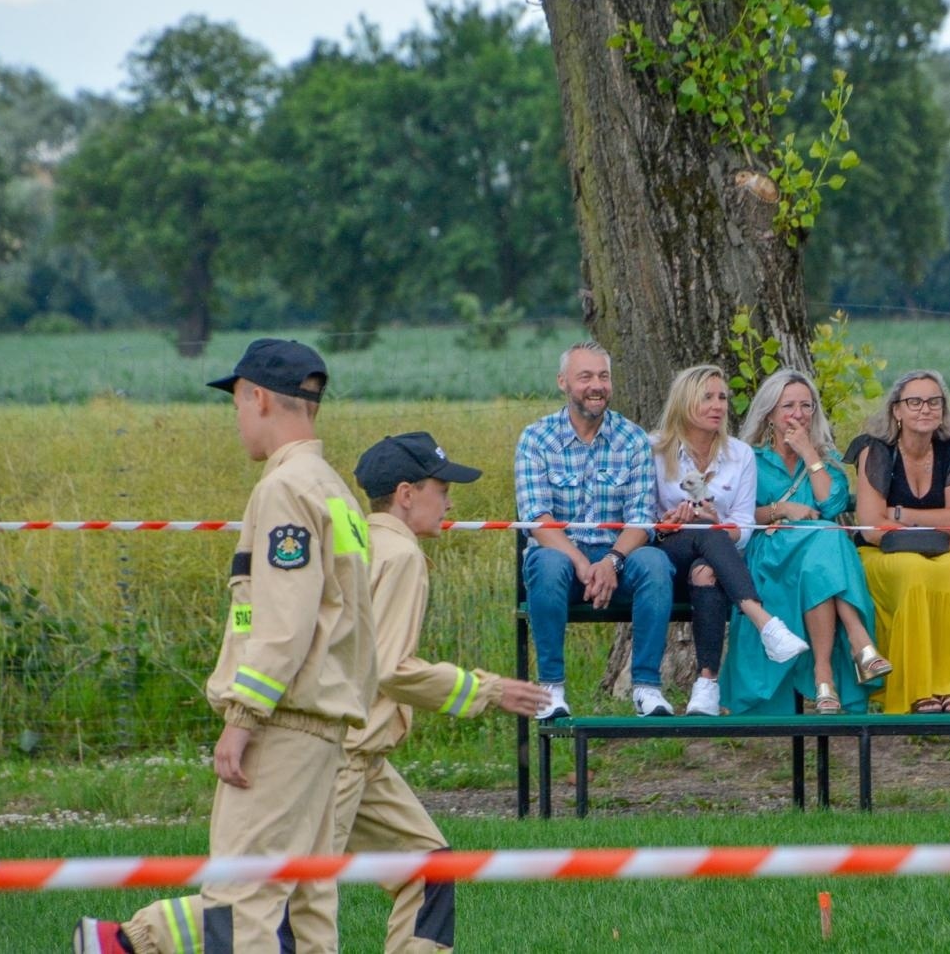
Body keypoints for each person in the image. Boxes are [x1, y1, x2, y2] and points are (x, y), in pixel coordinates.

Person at [76, 338, 378, 954]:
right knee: (307, 909)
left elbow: (284, 622)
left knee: (240, 905)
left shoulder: (284, 489)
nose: (236, 418)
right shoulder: (336, 491)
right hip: (328, 728)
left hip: (284, 727)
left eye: (236, 402)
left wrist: (242, 718)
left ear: (259, 397)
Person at [340, 432, 551, 951]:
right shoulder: (401, 556)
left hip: (358, 755)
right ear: (407, 494)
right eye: (442, 487)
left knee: (430, 869)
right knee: (270, 903)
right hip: (336, 760)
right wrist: (488, 690)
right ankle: (132, 940)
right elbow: (392, 669)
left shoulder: (355, 543)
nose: (450, 501)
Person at [515, 341, 676, 718]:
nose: (596, 385)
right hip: (561, 560)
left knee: (655, 563)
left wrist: (610, 562)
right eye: (585, 376)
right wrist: (582, 564)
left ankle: (647, 687)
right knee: (548, 563)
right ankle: (551, 689)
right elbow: (538, 520)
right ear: (563, 382)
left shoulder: (633, 438)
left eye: (603, 376)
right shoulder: (536, 439)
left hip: (619, 559)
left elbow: (641, 519)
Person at [722, 369, 889, 716]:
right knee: (829, 537)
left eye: (805, 406)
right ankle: (860, 645)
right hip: (769, 555)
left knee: (826, 540)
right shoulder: (748, 458)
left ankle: (823, 675)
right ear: (769, 413)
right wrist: (781, 509)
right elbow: (738, 514)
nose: (797, 414)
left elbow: (832, 505)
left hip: (815, 561)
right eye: (787, 406)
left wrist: (809, 454)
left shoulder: (825, 462)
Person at [650, 365, 811, 716]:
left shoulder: (739, 454)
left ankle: (706, 685)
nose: (718, 405)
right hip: (665, 558)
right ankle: (766, 624)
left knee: (707, 566)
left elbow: (743, 528)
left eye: (722, 397)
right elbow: (639, 519)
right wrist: (666, 522)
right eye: (707, 397)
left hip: (715, 563)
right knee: (705, 538)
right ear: (684, 402)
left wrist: (716, 522)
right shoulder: (654, 450)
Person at [844, 369, 950, 714]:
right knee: (913, 569)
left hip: (938, 552)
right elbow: (872, 527)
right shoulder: (875, 450)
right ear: (896, 410)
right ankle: (914, 690)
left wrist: (899, 514)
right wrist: (928, 524)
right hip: (878, 555)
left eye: (934, 401)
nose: (925, 409)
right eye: (914, 402)